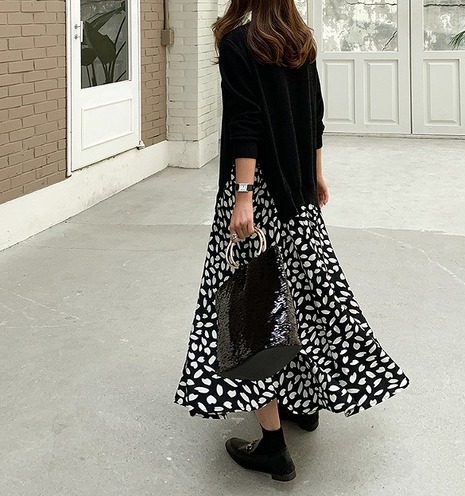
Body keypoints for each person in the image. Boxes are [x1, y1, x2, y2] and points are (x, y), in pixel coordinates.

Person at [174, 0, 410, 482]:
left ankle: (273, 444)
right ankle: (302, 403)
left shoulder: (239, 42)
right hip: (297, 192)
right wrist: (316, 175)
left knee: (252, 312)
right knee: (302, 297)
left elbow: (246, 123)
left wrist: (243, 197)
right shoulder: (299, 40)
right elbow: (314, 117)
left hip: (260, 196)